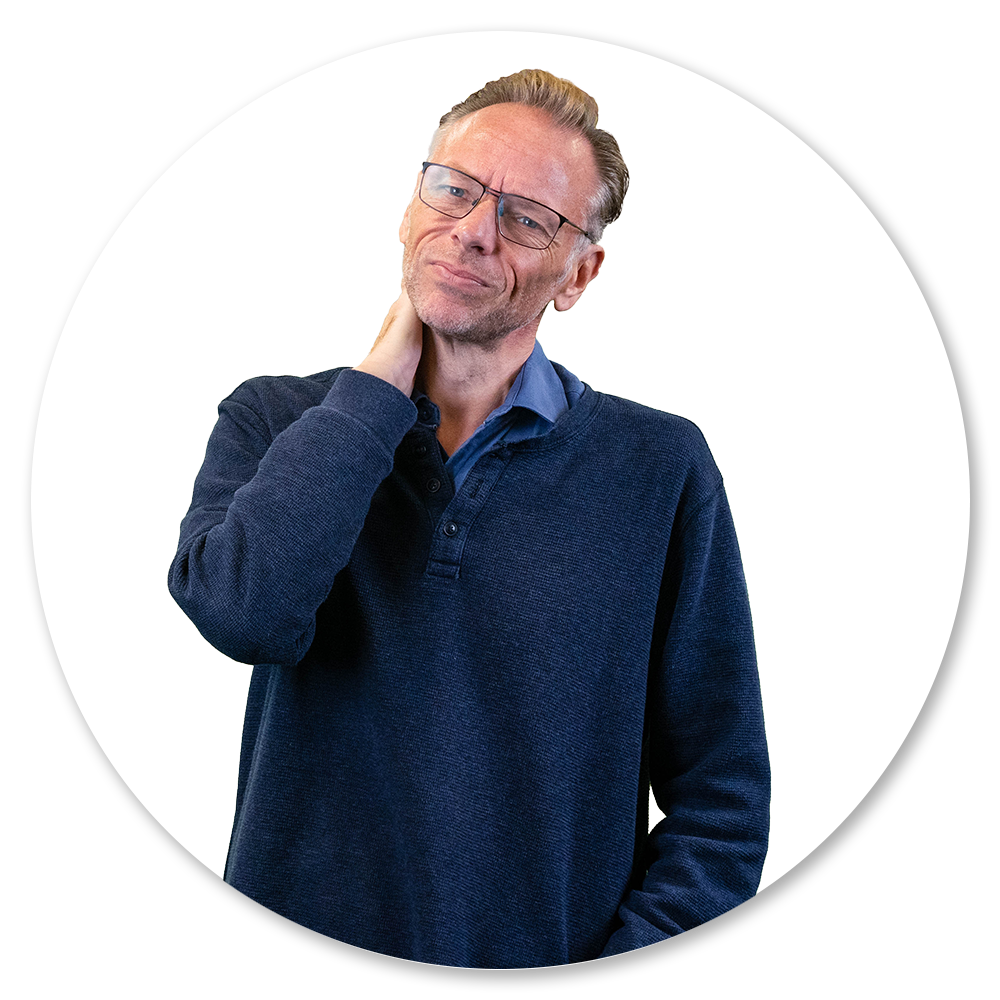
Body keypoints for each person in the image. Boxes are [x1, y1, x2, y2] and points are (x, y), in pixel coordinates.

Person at [168, 68, 770, 969]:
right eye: (454, 189)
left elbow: (722, 799)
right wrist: (373, 394)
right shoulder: (276, 419)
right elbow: (242, 613)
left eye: (527, 218)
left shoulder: (661, 467)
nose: (475, 230)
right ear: (410, 207)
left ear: (578, 273)